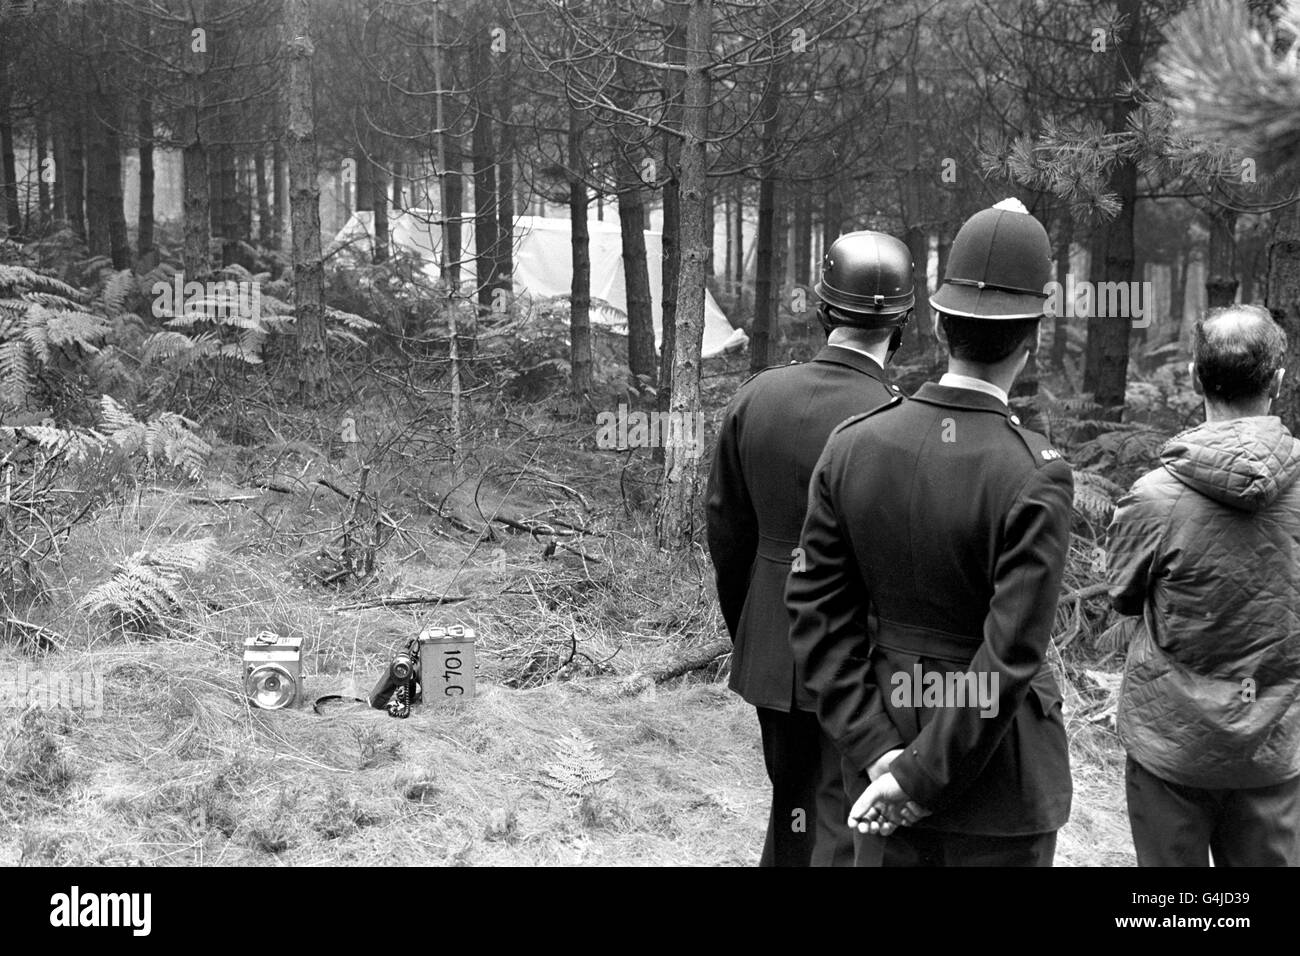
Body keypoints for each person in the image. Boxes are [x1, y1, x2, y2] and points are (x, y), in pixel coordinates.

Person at [787, 199, 1074, 867]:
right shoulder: (1034, 475)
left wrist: (883, 755)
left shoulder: (851, 445)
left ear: (940, 324)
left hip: (877, 763)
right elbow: (1007, 656)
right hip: (998, 786)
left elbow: (815, 612)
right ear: (1032, 336)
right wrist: (914, 775)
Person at [705, 230, 913, 866]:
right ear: (901, 325)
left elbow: (725, 532)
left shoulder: (758, 396)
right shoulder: (898, 421)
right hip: (856, 656)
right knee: (838, 821)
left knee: (791, 805)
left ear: (824, 312)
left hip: (769, 642)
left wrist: (752, 626)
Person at [1107, 304, 1300, 867]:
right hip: (1274, 744)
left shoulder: (1153, 497)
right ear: (1279, 382)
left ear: (1194, 376)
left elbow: (1121, 594)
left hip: (1171, 747)